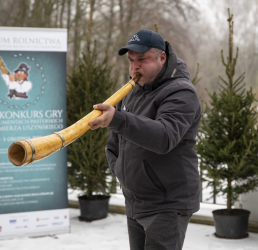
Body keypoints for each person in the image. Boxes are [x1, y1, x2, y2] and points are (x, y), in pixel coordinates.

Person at [88, 29, 201, 250]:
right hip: (136, 200)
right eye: (131, 61)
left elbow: (165, 137)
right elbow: (115, 144)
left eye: (142, 59)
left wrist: (118, 119)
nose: (134, 67)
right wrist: (122, 171)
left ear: (162, 58)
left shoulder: (181, 92)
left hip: (166, 204)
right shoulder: (131, 92)